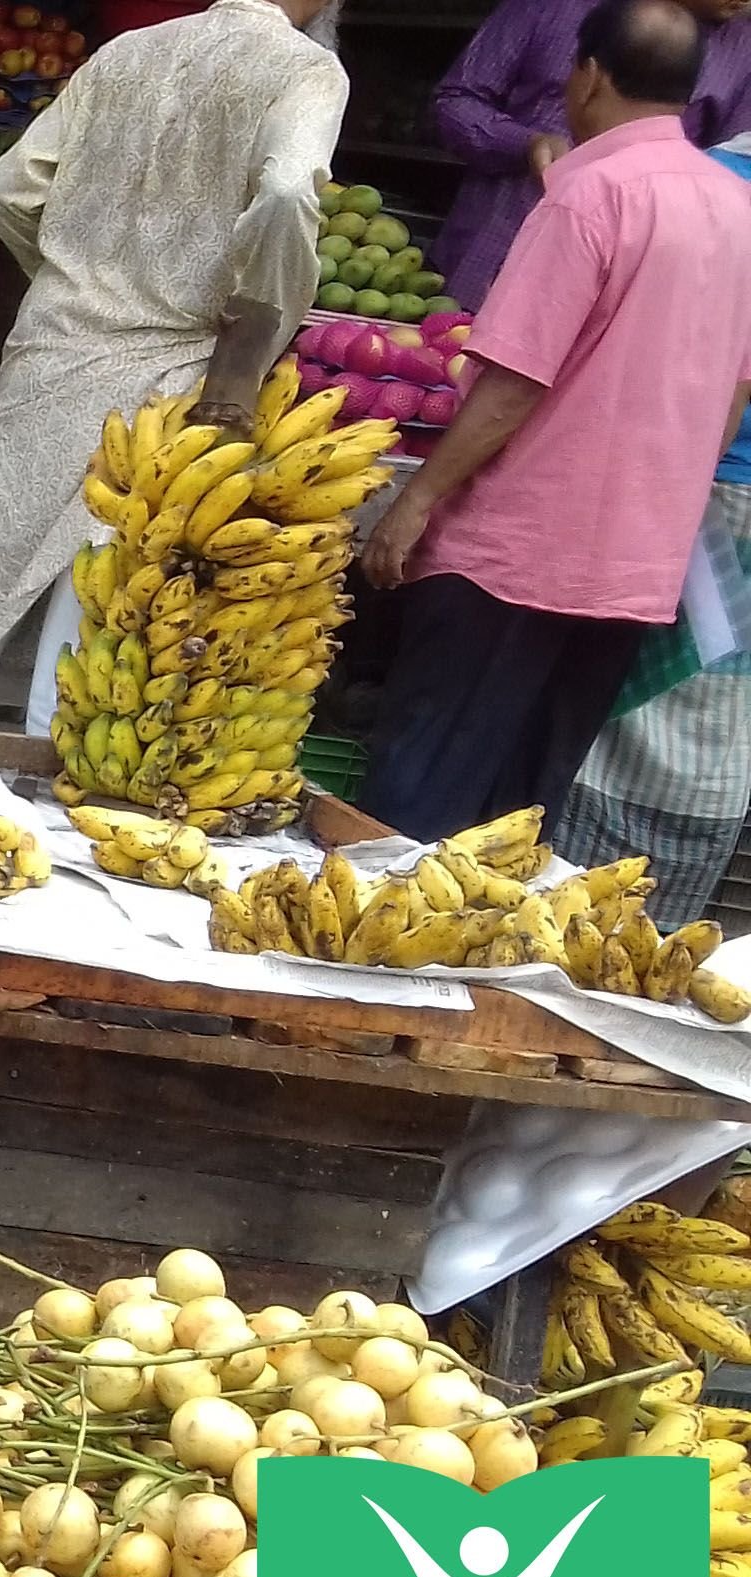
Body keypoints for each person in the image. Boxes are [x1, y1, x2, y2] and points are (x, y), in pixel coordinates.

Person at [359, 0, 751, 843]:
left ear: (589, 76)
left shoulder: (590, 196)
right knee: (514, 822)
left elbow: (512, 384)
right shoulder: (736, 211)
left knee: (413, 808)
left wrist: (416, 501)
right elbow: (732, 395)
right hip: (634, 574)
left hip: (515, 558)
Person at [0, 0, 346, 731]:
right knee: (100, 608)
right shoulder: (305, 68)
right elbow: (285, 191)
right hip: (172, 366)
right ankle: (52, 786)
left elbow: (12, 184)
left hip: (54, 342)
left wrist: (65, 276)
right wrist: (257, 324)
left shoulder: (127, 51)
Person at [549, 127, 751, 923]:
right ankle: (641, 936)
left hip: (670, 491)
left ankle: (580, 923)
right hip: (709, 500)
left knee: (638, 719)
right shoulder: (708, 185)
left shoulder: (686, 183)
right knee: (698, 737)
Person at [429, 0, 751, 306]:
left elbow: (727, 181)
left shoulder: (742, 51)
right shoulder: (554, 6)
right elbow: (456, 100)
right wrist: (524, 144)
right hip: (485, 263)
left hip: (615, 296)